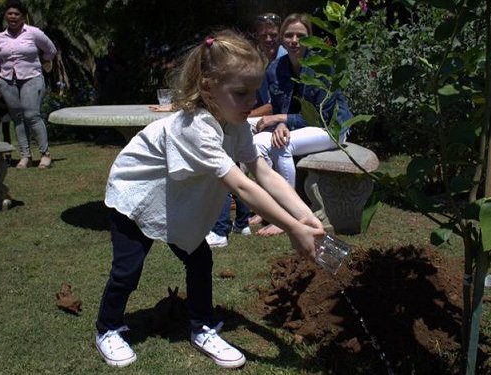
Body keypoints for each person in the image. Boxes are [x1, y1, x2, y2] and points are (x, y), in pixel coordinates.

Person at [95, 29, 324, 369]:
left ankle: (201, 326)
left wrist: (305, 216)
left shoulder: (237, 124)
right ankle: (108, 328)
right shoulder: (195, 127)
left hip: (173, 197)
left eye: (253, 92)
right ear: (207, 87)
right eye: (241, 93)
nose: (251, 102)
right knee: (128, 270)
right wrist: (291, 228)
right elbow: (242, 187)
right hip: (137, 195)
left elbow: (262, 172)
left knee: (199, 259)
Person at [253, 13, 353, 237]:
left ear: (310, 38)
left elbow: (321, 117)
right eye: (288, 35)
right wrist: (281, 122)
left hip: (332, 129)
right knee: (257, 143)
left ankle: (291, 216)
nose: (294, 40)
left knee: (282, 145)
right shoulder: (276, 69)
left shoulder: (322, 67)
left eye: (301, 35)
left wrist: (282, 121)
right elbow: (282, 108)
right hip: (300, 127)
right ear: (281, 38)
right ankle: (270, 209)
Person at [205, 12, 287, 246]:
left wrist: (298, 219)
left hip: (263, 119)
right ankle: (230, 225)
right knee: (229, 169)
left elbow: (261, 173)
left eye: (273, 34)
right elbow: (240, 183)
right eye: (264, 34)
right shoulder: (200, 129)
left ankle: (231, 226)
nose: (269, 39)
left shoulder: (279, 61)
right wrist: (293, 223)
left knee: (233, 167)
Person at [0, 0, 57, 169]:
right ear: (5, 16)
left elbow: (51, 50)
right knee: (18, 118)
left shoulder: (33, 33)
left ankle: (45, 154)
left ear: (23, 16)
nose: (13, 17)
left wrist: (42, 62)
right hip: (7, 82)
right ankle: (25, 156)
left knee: (32, 115)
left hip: (31, 78)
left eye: (16, 14)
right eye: (10, 13)